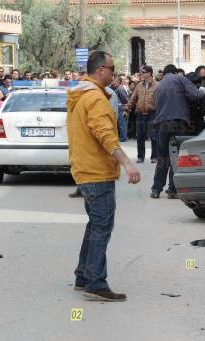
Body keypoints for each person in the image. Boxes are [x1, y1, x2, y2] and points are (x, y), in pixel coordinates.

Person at [67, 50, 141, 302]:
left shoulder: (82, 94)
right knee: (102, 227)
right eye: (111, 68)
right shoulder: (95, 99)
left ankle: (83, 275)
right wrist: (128, 163)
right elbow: (105, 135)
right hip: (97, 172)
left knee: (94, 224)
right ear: (100, 70)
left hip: (85, 170)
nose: (114, 72)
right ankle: (95, 283)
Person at [150, 64, 205, 199]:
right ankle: (172, 190)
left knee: (163, 158)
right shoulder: (179, 78)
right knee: (176, 157)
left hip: (162, 125)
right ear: (175, 72)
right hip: (178, 123)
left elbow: (155, 105)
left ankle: (156, 189)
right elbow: (195, 95)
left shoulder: (159, 85)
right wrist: (203, 89)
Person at [126, 65, 157, 163]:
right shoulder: (139, 85)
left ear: (149, 73)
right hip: (140, 114)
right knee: (140, 137)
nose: (141, 74)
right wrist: (127, 108)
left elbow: (161, 100)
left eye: (143, 72)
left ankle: (154, 157)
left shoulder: (157, 85)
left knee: (154, 136)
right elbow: (133, 98)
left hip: (152, 114)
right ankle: (140, 157)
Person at [112, 75, 129, 142]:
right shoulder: (116, 88)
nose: (113, 83)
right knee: (120, 124)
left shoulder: (120, 89)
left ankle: (123, 138)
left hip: (121, 109)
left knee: (122, 124)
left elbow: (125, 100)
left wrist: (125, 109)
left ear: (119, 81)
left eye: (114, 81)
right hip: (118, 109)